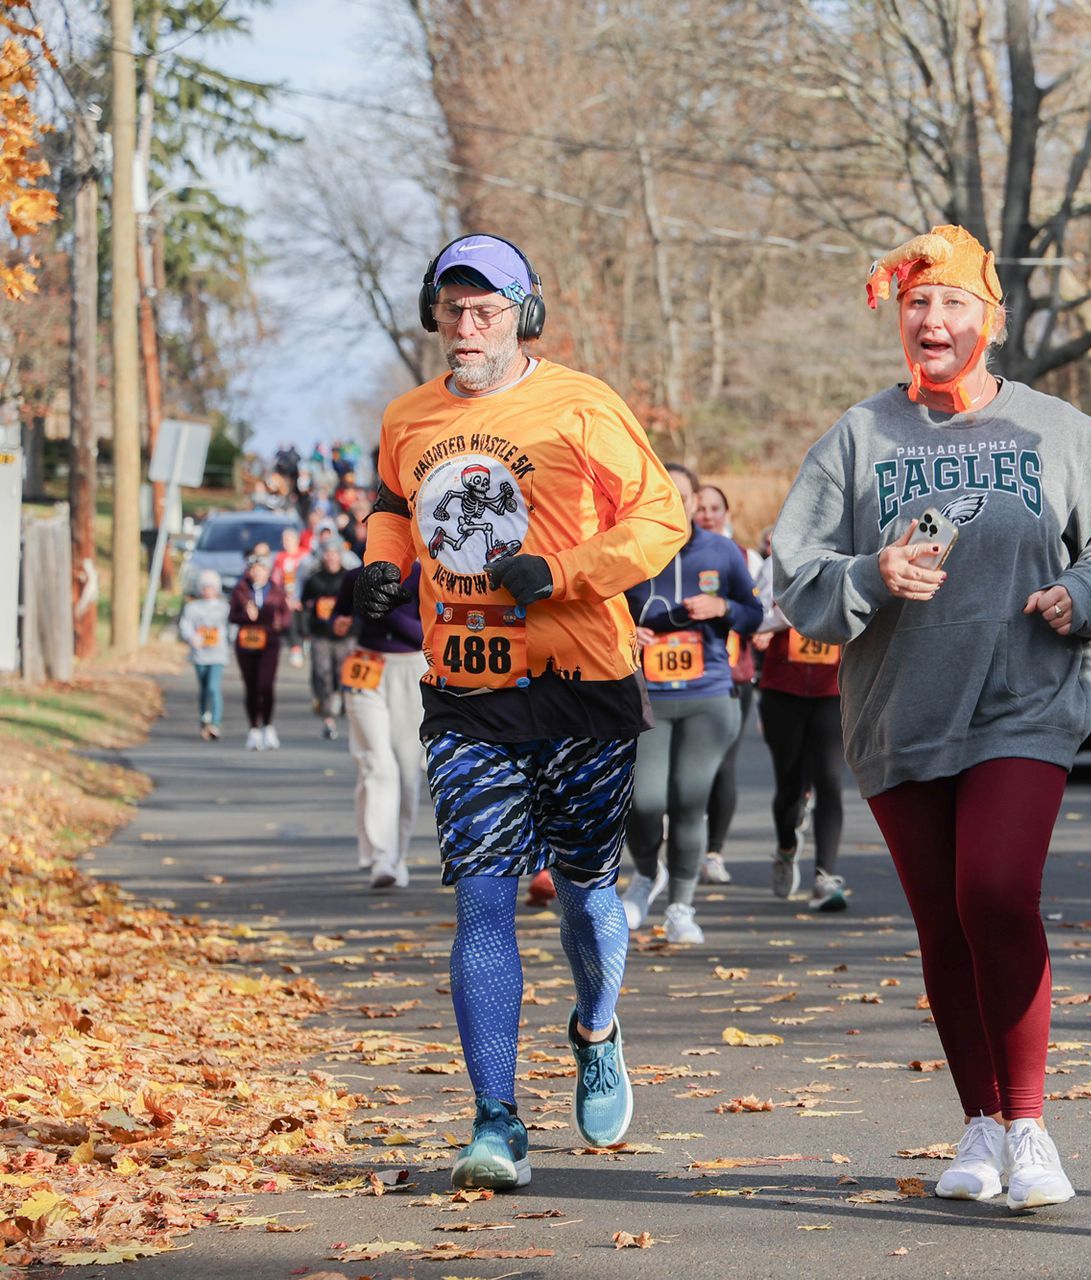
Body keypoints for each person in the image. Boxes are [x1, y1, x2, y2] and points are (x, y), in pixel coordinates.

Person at [771, 224, 1091, 1212]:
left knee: (994, 890)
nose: (933, 320)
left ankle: (1029, 1124)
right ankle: (980, 1120)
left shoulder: (1060, 431)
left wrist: (1086, 590)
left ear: (994, 318)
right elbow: (798, 575)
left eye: (954, 303)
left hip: (1026, 697)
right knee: (943, 922)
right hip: (899, 710)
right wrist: (871, 573)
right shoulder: (859, 438)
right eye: (918, 303)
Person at [355, 231, 688, 1190]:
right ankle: (495, 1121)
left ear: (522, 315)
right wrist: (384, 561)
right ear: (434, 314)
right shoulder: (409, 417)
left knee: (586, 889)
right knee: (483, 897)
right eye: (453, 309)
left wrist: (565, 571)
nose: (467, 327)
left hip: (584, 686)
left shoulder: (583, 405)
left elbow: (660, 518)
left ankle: (597, 1029)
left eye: (486, 310)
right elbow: (393, 505)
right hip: (468, 692)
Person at [621, 463, 763, 941]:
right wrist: (627, 632)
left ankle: (681, 906)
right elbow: (602, 613)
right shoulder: (631, 549)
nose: (673, 504)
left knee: (688, 801)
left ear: (694, 501)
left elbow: (754, 615)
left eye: (681, 497)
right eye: (662, 495)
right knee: (643, 801)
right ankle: (647, 875)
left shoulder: (721, 552)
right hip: (647, 699)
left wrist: (724, 608)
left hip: (708, 696)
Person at [753, 554, 847, 910]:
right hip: (782, 689)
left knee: (829, 781)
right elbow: (755, 619)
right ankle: (786, 848)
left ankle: (825, 877)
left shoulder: (847, 558)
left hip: (832, 689)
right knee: (790, 785)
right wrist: (789, 615)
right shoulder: (774, 563)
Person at [342, 561, 427, 889]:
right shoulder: (356, 575)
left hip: (411, 669)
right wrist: (338, 622)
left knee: (407, 770)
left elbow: (427, 632)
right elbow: (337, 615)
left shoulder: (424, 574)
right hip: (367, 666)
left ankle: (397, 855)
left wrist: (384, 608)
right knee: (378, 763)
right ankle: (381, 855)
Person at [691, 482, 759, 885]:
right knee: (682, 769)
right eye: (700, 507)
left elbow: (759, 611)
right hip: (678, 680)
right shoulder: (670, 554)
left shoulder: (744, 558)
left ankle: (713, 851)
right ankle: (678, 846)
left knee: (723, 766)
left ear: (726, 513)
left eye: (715, 508)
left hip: (732, 676)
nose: (707, 515)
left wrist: (727, 610)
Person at [229, 551, 294, 750]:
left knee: (266, 684)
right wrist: (246, 615)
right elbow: (232, 616)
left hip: (270, 642)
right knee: (251, 686)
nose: (257, 572)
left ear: (268, 571)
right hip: (247, 642)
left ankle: (268, 725)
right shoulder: (240, 590)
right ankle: (253, 728)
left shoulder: (277, 590)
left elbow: (286, 616)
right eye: (254, 569)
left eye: (262, 569)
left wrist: (279, 623)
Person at [302, 542, 354, 740]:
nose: (331, 557)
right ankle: (327, 718)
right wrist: (305, 630)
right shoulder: (314, 579)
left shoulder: (349, 577)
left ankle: (342, 703)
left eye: (334, 554)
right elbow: (304, 605)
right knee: (322, 672)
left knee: (343, 672)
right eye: (328, 554)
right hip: (321, 633)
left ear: (340, 556)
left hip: (345, 635)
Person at [178, 570, 231, 740]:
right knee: (203, 689)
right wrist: (191, 637)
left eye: (211, 587)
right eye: (205, 587)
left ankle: (215, 722)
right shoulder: (192, 607)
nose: (208, 591)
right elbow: (185, 625)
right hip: (199, 653)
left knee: (213, 687)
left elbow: (231, 627)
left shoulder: (224, 608)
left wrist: (229, 639)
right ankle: (204, 719)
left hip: (218, 654)